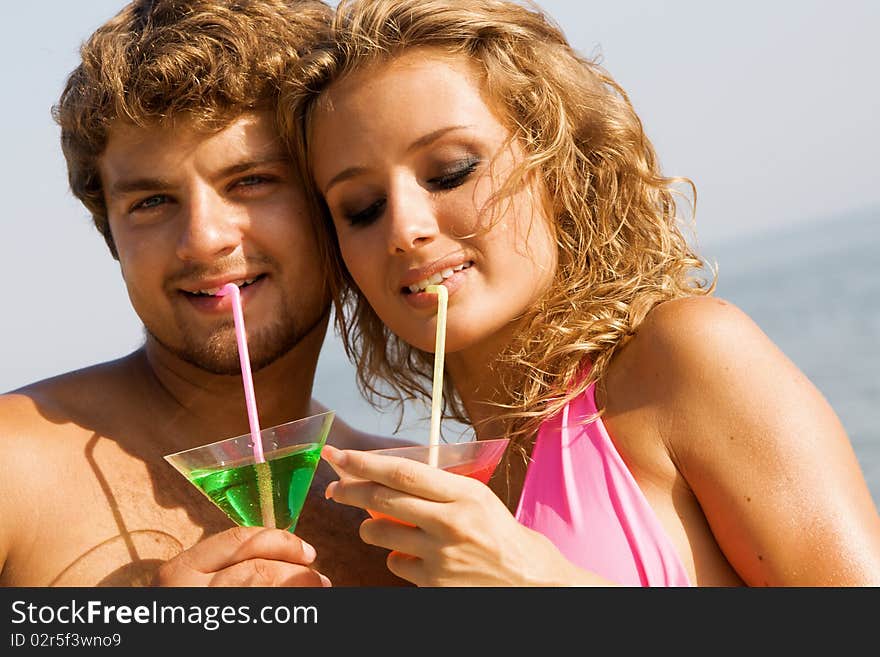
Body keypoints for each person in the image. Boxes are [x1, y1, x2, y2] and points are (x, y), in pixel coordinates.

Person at [284, 0, 880, 586]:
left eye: (450, 172)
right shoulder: (456, 491)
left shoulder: (683, 360)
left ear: (560, 167)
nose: (404, 229)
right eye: (362, 208)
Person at [0, 0, 409, 587]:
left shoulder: (411, 499)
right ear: (111, 233)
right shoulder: (13, 468)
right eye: (151, 202)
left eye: (251, 181)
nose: (203, 240)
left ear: (333, 198)